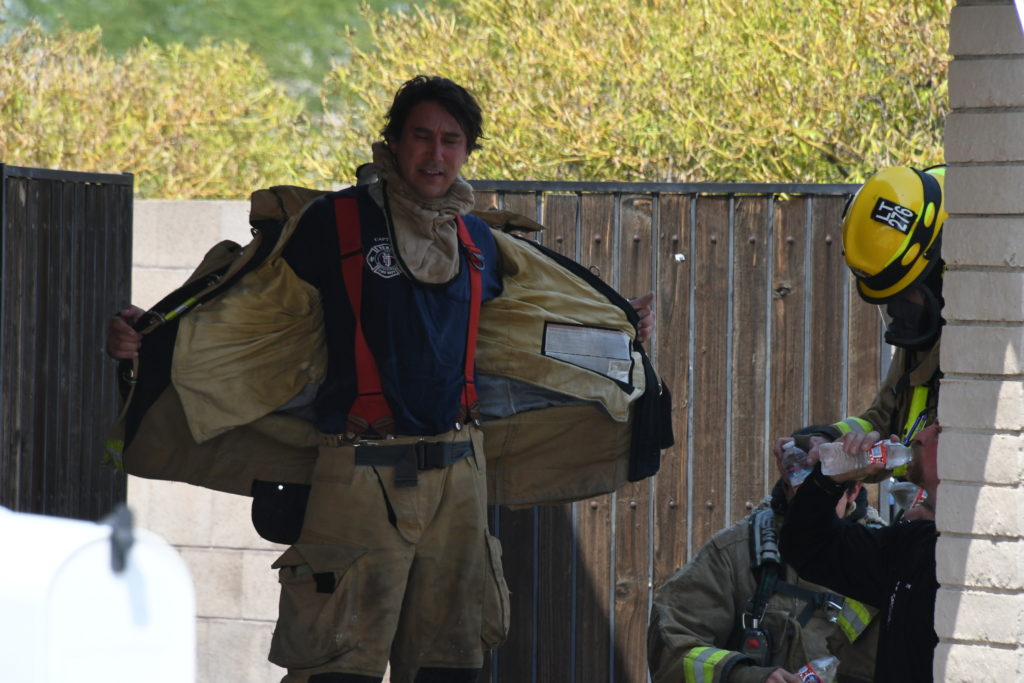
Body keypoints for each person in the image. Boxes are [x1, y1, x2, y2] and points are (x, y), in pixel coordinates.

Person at [107, 75, 657, 683]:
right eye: (422, 136)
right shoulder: (333, 222)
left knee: (450, 670)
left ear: (467, 151)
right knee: (336, 669)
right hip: (358, 476)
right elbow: (244, 304)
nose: (436, 153)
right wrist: (146, 337)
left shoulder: (477, 240)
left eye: (451, 140)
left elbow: (537, 327)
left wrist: (620, 328)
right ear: (393, 143)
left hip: (460, 478)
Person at [647, 433, 884, 683]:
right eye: (804, 489)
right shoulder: (734, 552)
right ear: (786, 483)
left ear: (853, 490)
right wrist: (743, 676)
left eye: (827, 488)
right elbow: (672, 645)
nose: (812, 504)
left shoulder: (882, 558)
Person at [780, 423, 941, 682]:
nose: (920, 435)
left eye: (940, 432)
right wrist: (831, 479)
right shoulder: (911, 544)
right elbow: (807, 546)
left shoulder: (986, 560)